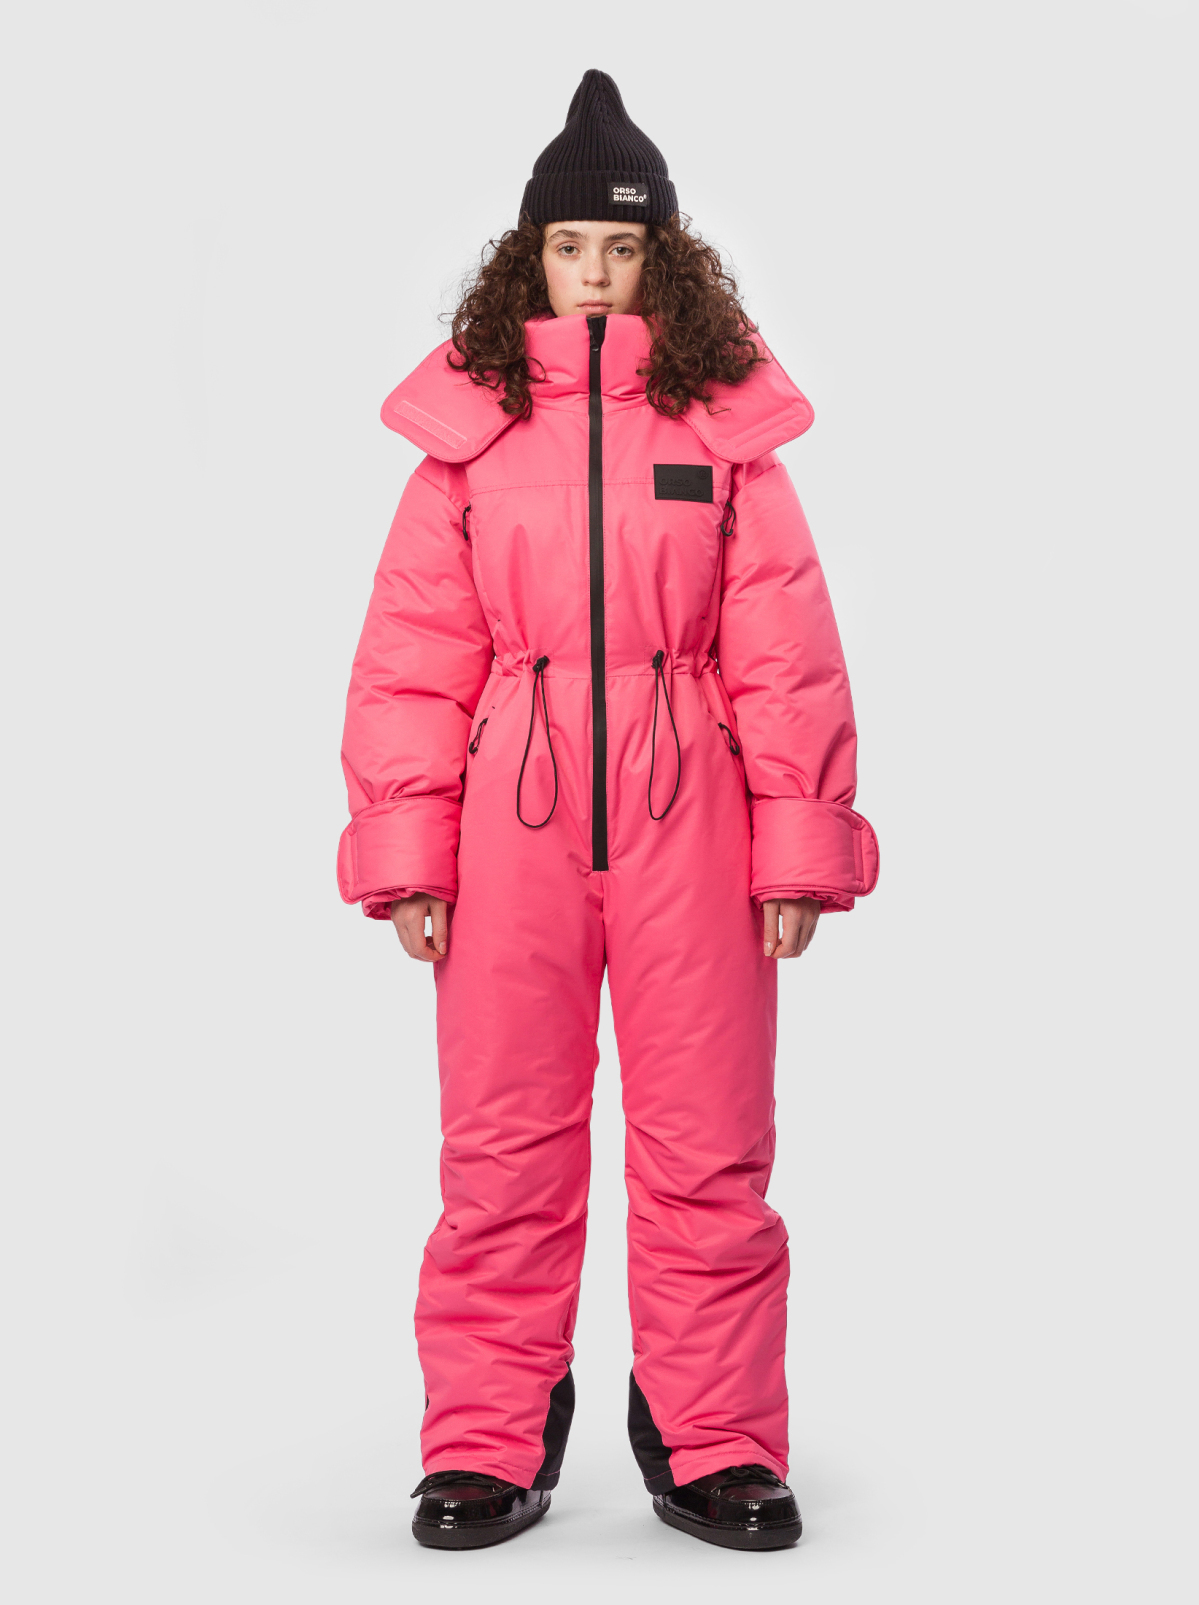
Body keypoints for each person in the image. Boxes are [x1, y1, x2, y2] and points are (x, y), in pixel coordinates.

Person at [337, 69, 878, 1552]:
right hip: (509, 814)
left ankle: (715, 1435)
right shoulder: (469, 436)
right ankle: (486, 1434)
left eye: (621, 247)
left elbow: (784, 649)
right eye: (570, 245)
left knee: (709, 1142)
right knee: (502, 1142)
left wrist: (797, 847)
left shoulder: (723, 433)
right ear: (532, 257)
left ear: (661, 261)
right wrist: (408, 851)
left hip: (690, 806)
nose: (594, 271)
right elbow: (413, 656)